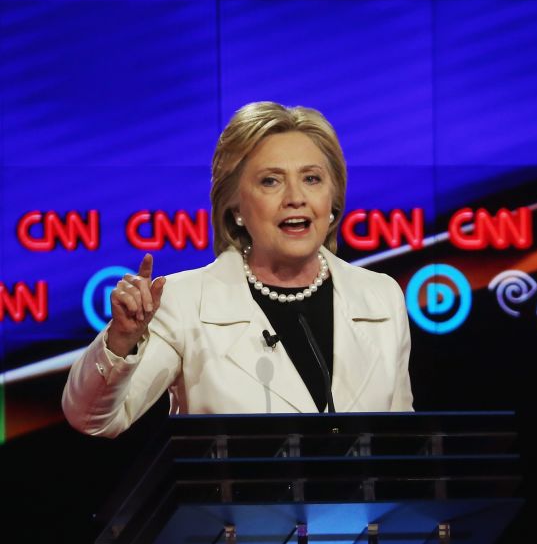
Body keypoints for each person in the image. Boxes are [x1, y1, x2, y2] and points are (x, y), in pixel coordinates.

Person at [63, 102, 414, 436]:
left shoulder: (380, 297)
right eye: (270, 181)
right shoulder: (185, 302)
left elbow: (402, 439)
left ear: (333, 200)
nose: (295, 197)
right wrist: (121, 340)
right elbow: (92, 419)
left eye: (311, 179)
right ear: (236, 208)